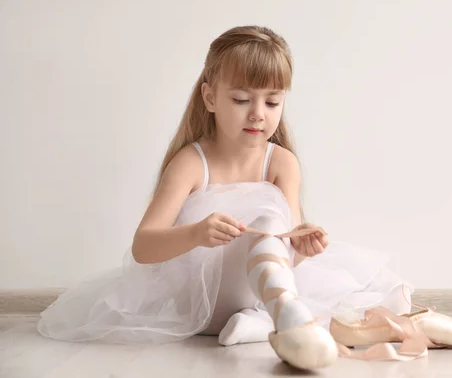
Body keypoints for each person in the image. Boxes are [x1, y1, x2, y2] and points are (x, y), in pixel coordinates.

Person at [37, 26, 414, 369]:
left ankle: (268, 318)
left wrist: (303, 246)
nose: (257, 115)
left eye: (272, 102)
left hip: (259, 291)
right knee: (267, 223)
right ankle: (277, 318)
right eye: (240, 100)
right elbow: (142, 246)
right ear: (210, 97)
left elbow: (286, 254)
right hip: (202, 302)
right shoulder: (191, 163)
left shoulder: (282, 163)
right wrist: (197, 234)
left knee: (275, 227)